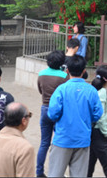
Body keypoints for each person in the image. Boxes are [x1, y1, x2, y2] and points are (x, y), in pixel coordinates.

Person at [47, 54, 103, 178]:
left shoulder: (61, 89)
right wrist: (88, 120)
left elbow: (53, 113)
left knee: (55, 174)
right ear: (84, 71)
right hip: (82, 139)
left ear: (67, 70)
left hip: (62, 139)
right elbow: (97, 113)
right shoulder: (91, 90)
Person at [36, 49, 67, 177]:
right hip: (59, 110)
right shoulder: (64, 76)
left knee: (44, 143)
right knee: (58, 143)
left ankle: (39, 171)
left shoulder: (41, 74)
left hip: (45, 108)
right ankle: (56, 172)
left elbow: (40, 90)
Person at [88, 65, 107, 178]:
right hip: (99, 132)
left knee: (89, 164)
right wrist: (105, 133)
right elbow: (101, 117)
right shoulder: (102, 92)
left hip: (90, 130)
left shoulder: (91, 89)